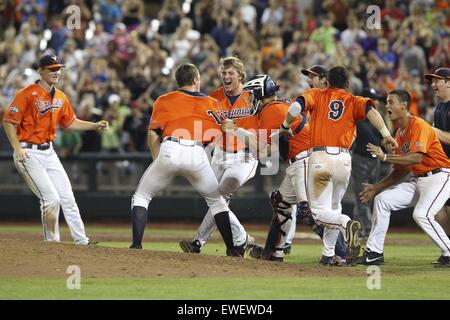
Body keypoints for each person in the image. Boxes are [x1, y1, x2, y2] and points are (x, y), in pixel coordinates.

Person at [279, 66, 398, 263]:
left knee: (318, 214)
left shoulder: (317, 95)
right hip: (344, 159)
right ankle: (328, 255)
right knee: (334, 208)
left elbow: (295, 108)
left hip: (320, 157)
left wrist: (285, 126)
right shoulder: (354, 100)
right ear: (348, 84)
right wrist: (386, 135)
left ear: (328, 81)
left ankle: (346, 224)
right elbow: (372, 111)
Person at [129, 63, 245, 257]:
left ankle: (136, 246)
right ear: (195, 80)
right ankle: (232, 249)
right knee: (217, 203)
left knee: (141, 197)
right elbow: (222, 133)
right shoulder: (212, 103)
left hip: (170, 148)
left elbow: (153, 135)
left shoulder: (164, 99)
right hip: (196, 151)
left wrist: (158, 160)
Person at [2, 54, 109, 245]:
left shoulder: (60, 96)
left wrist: (93, 125)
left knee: (68, 197)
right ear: (40, 70)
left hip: (49, 151)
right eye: (52, 69)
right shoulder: (26, 93)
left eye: (58, 69)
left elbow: (70, 122)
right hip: (28, 151)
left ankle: (81, 241)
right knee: (51, 199)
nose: (56, 72)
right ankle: (51, 245)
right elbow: (9, 121)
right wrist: (16, 147)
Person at [354, 89, 450, 268]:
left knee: (422, 214)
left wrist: (384, 157)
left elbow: (416, 158)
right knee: (382, 200)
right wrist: (377, 188)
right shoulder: (399, 133)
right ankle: (375, 253)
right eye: (387, 102)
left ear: (404, 106)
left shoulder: (419, 125)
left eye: (391, 102)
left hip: (440, 175)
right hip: (420, 179)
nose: (387, 106)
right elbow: (402, 169)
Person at [178, 57, 257, 254]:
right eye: (224, 73)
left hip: (244, 155)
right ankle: (242, 238)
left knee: (220, 195)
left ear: (240, 76)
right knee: (215, 198)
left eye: (231, 73)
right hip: (220, 154)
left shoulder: (253, 97)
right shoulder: (214, 97)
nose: (226, 76)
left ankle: (200, 241)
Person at [350, 89, 384, 239]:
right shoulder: (356, 118)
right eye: (372, 99)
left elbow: (382, 141)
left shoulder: (377, 120)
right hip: (359, 159)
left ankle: (358, 229)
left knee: (369, 196)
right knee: (362, 195)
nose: (375, 102)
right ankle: (369, 230)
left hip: (374, 160)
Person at [426, 68, 450, 238]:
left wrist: (427, 129)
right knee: (441, 208)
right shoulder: (440, 107)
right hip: (445, 166)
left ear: (449, 83)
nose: (433, 84)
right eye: (432, 81)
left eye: (438, 80)